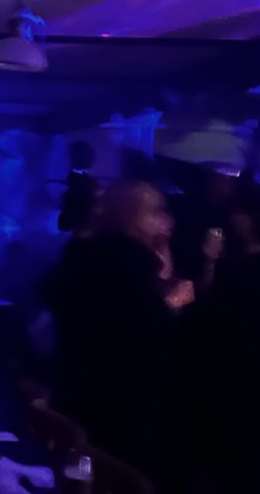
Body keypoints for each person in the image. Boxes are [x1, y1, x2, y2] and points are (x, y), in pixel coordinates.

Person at [38, 180, 180, 477]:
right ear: (132, 216)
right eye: (156, 211)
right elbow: (146, 334)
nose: (166, 220)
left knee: (70, 475)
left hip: (75, 387)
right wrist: (172, 303)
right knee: (102, 483)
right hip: (115, 403)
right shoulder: (127, 264)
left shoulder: (84, 253)